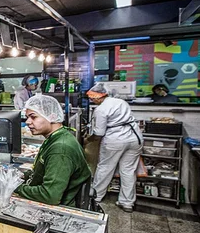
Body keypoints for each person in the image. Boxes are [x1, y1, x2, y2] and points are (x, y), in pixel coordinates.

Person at [15, 95, 91, 206]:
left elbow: (49, 196)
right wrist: (20, 176)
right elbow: (42, 169)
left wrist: (15, 187)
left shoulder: (61, 149)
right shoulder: (56, 136)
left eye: (33, 117)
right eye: (27, 117)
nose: (27, 121)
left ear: (52, 116)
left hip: (60, 209)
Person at [87, 83, 143, 213]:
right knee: (128, 170)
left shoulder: (100, 110)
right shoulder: (121, 102)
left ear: (97, 97)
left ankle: (96, 197)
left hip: (115, 139)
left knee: (105, 168)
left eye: (92, 98)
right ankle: (127, 203)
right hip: (134, 137)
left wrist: (88, 140)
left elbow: (99, 133)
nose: (92, 101)